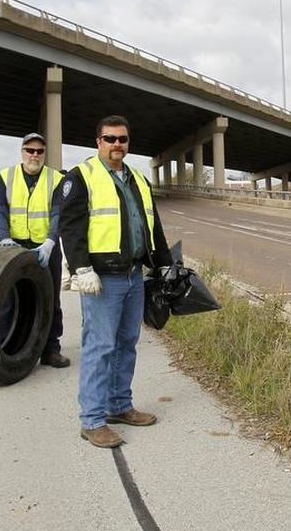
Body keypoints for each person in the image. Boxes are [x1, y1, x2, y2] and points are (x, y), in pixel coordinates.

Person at [59, 115, 173, 448]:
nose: (116, 145)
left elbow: (153, 225)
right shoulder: (82, 177)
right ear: (98, 142)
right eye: (110, 139)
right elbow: (71, 228)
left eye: (122, 139)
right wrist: (81, 269)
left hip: (134, 275)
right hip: (101, 278)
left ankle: (119, 406)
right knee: (100, 347)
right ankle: (92, 420)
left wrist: (164, 265)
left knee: (126, 344)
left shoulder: (138, 178)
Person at [0, 132, 70, 368]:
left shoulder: (55, 179)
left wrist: (50, 242)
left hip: (45, 247)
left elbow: (58, 213)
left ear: (44, 154)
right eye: (30, 150)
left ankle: (50, 350)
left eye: (39, 151)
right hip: (14, 247)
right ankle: (7, 349)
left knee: (50, 297)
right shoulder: (6, 176)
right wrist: (4, 238)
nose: (34, 155)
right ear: (22, 152)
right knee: (9, 299)